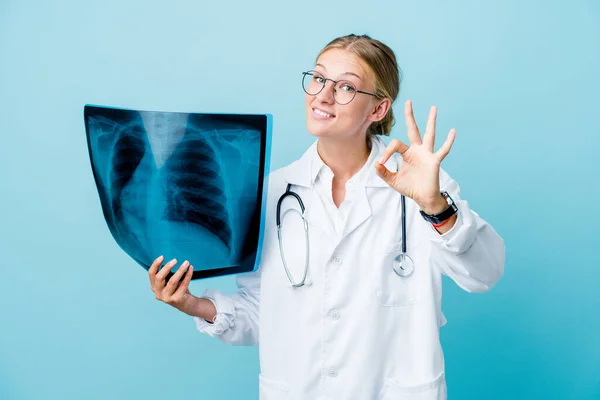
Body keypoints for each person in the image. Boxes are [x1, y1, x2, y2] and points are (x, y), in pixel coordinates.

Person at [147, 33, 505, 400]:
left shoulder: (423, 186)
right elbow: (262, 315)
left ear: (377, 110)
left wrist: (435, 207)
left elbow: (484, 274)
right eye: (318, 78)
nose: (322, 95)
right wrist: (191, 304)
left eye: (346, 87)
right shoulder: (273, 192)